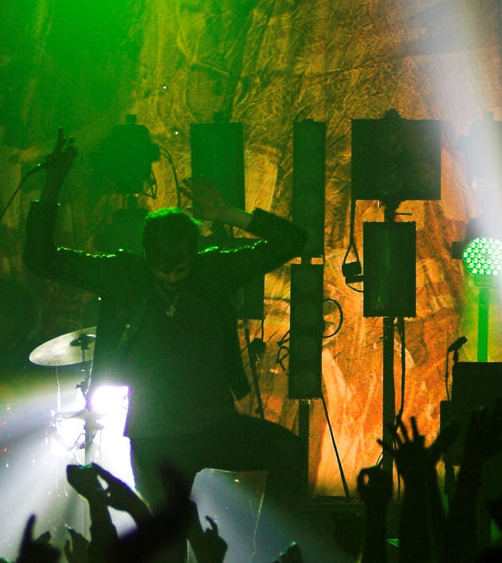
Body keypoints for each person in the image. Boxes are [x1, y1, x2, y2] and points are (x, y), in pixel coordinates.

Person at [24, 131, 309, 508]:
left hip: (215, 426)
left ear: (195, 252)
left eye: (182, 267)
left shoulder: (215, 270)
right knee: (165, 533)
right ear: (146, 253)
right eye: (163, 268)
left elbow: (293, 240)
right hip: (154, 437)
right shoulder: (124, 275)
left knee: (288, 451)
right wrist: (53, 184)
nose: (173, 275)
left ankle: (265, 546)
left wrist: (229, 214)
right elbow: (41, 258)